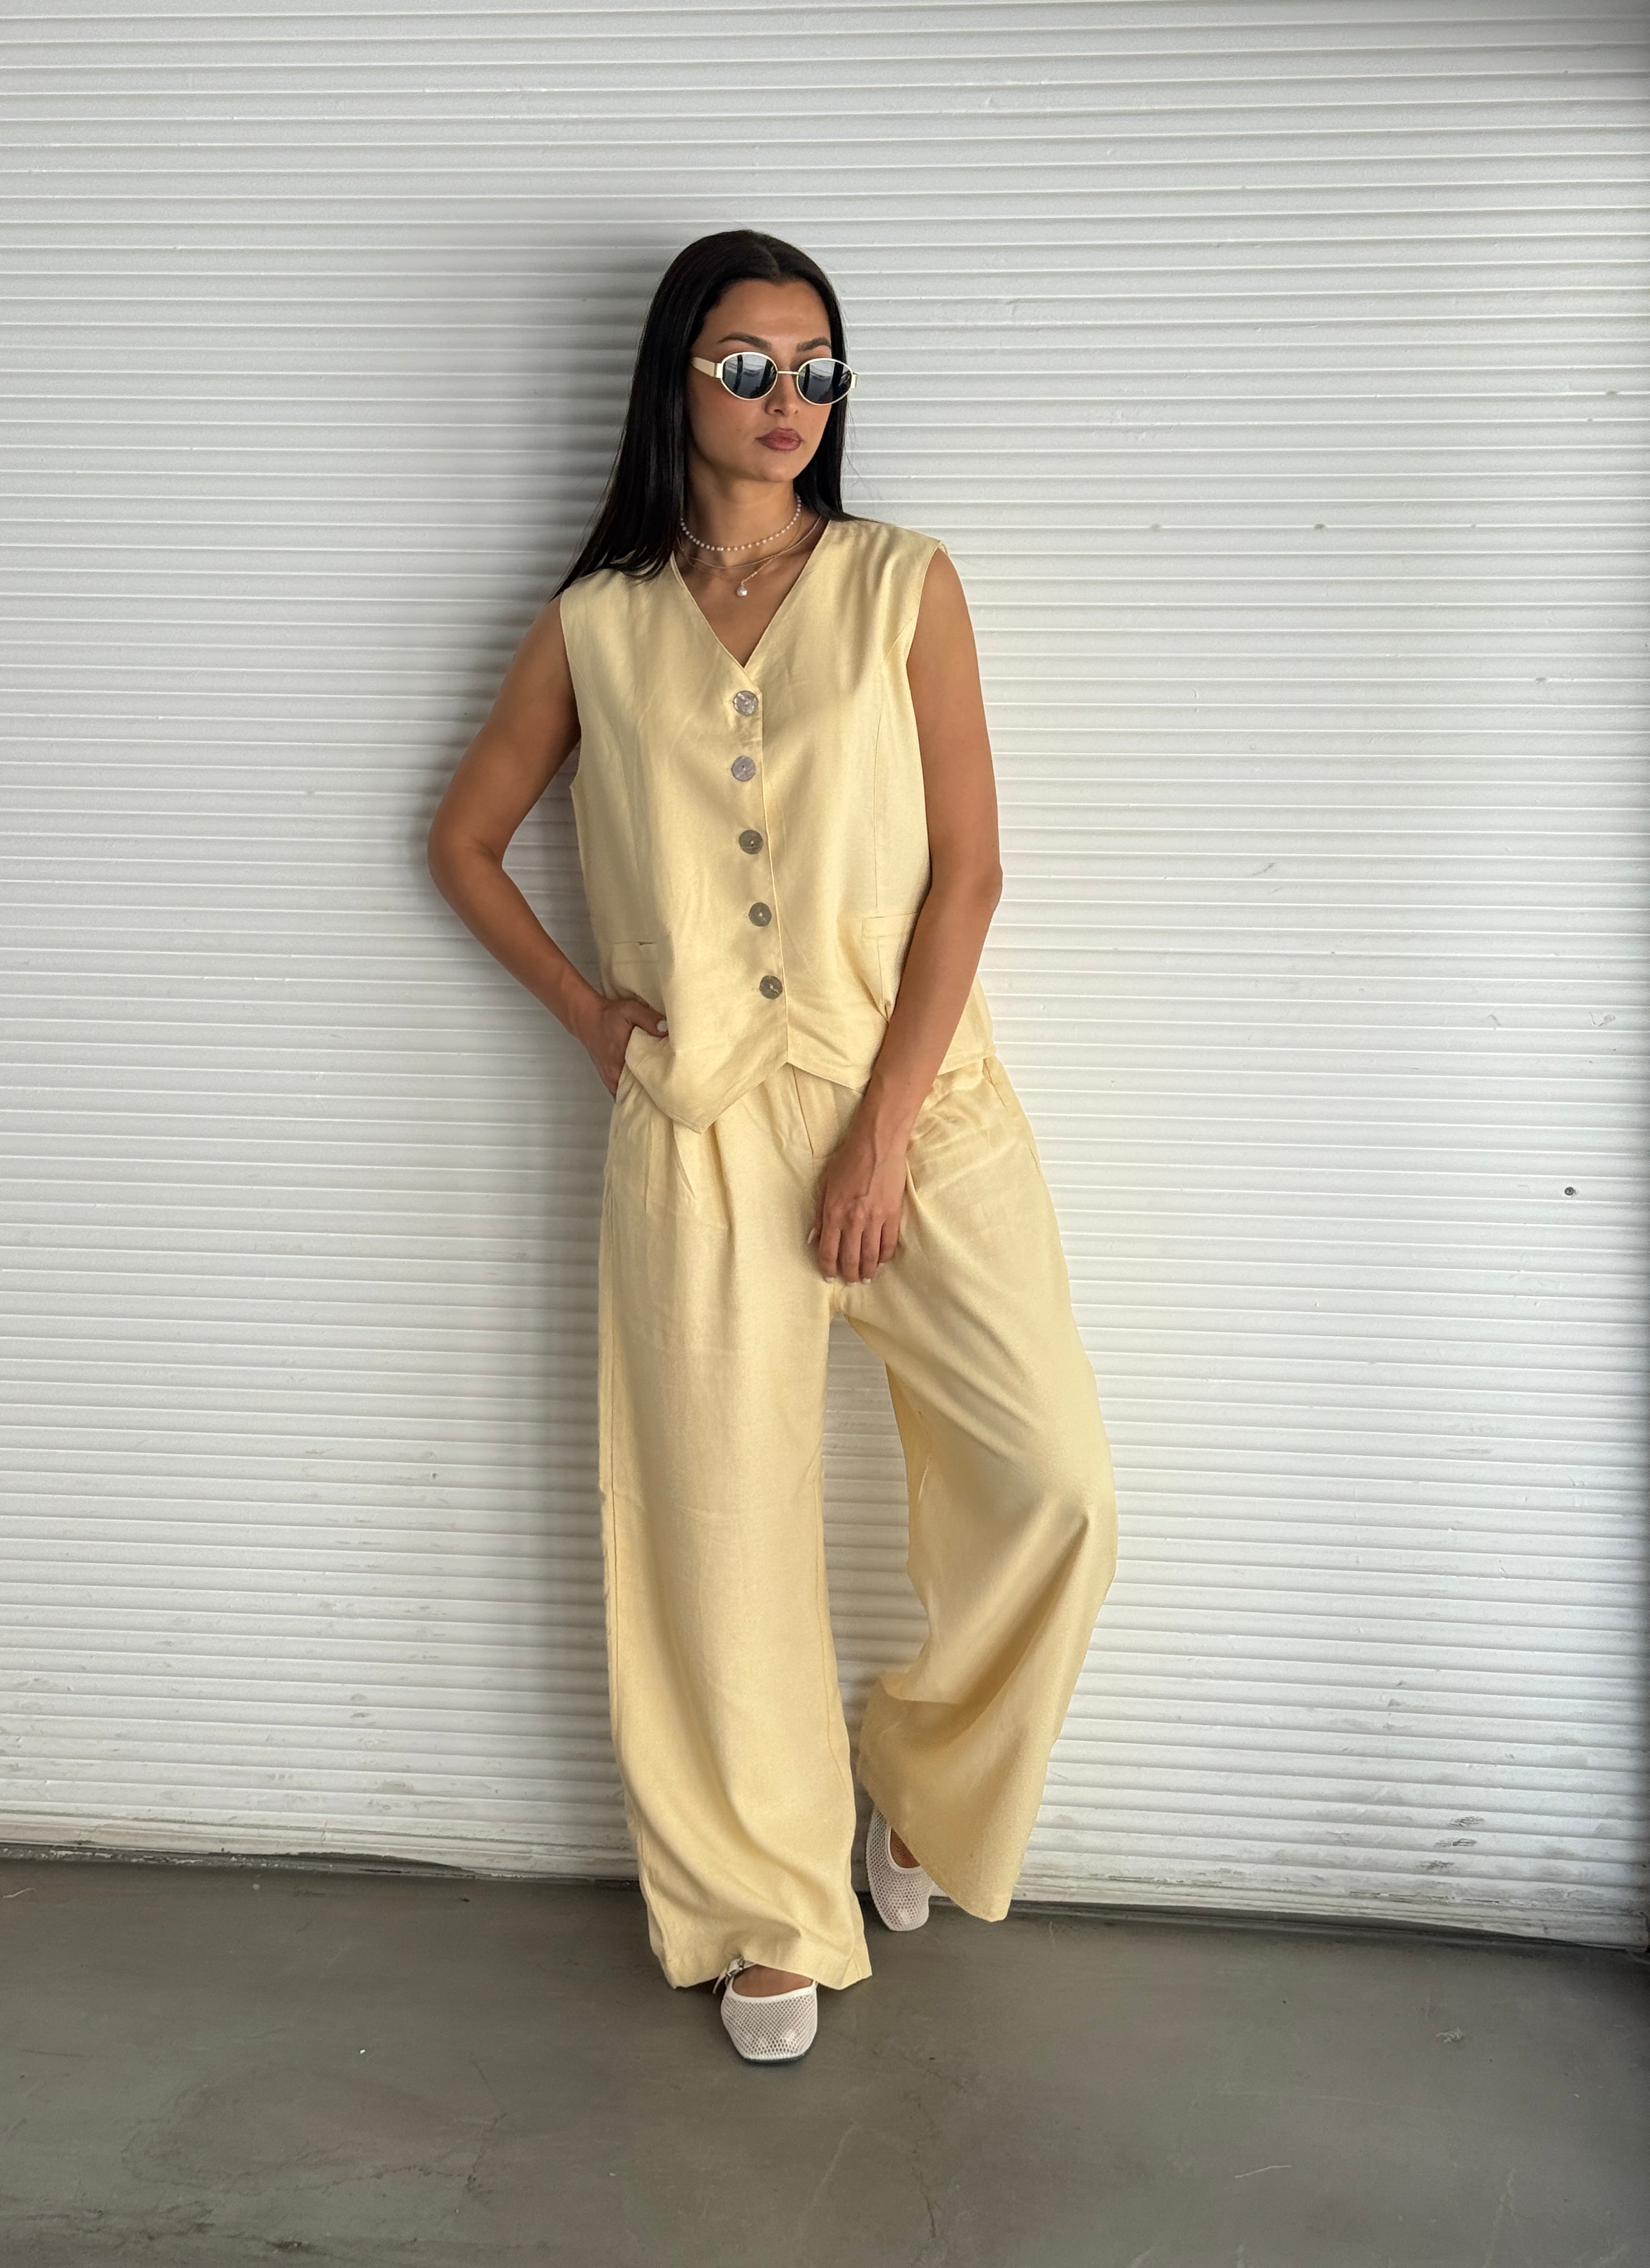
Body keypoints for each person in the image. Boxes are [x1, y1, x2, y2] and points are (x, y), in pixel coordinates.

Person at [426, 229, 1117, 2065]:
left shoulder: (902, 585)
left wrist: (885, 1133)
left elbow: (969, 874)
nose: (786, 399)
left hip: (924, 1102)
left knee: (1056, 1486)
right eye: (747, 364)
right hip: (700, 1124)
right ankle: (763, 1904)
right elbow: (463, 841)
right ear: (676, 378)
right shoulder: (597, 623)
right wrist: (594, 1020)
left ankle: (919, 1787)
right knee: (716, 1527)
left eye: (817, 368)